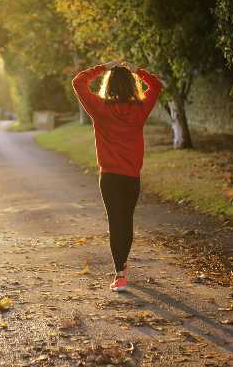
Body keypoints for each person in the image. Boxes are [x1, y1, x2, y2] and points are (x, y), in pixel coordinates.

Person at [72, 60, 163, 292]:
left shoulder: (100, 108)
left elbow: (78, 82)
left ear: (108, 85)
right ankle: (122, 265)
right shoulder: (140, 109)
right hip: (131, 177)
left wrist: (103, 67)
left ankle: (120, 274)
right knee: (127, 220)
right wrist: (137, 71)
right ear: (132, 86)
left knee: (116, 222)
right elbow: (157, 85)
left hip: (110, 178)